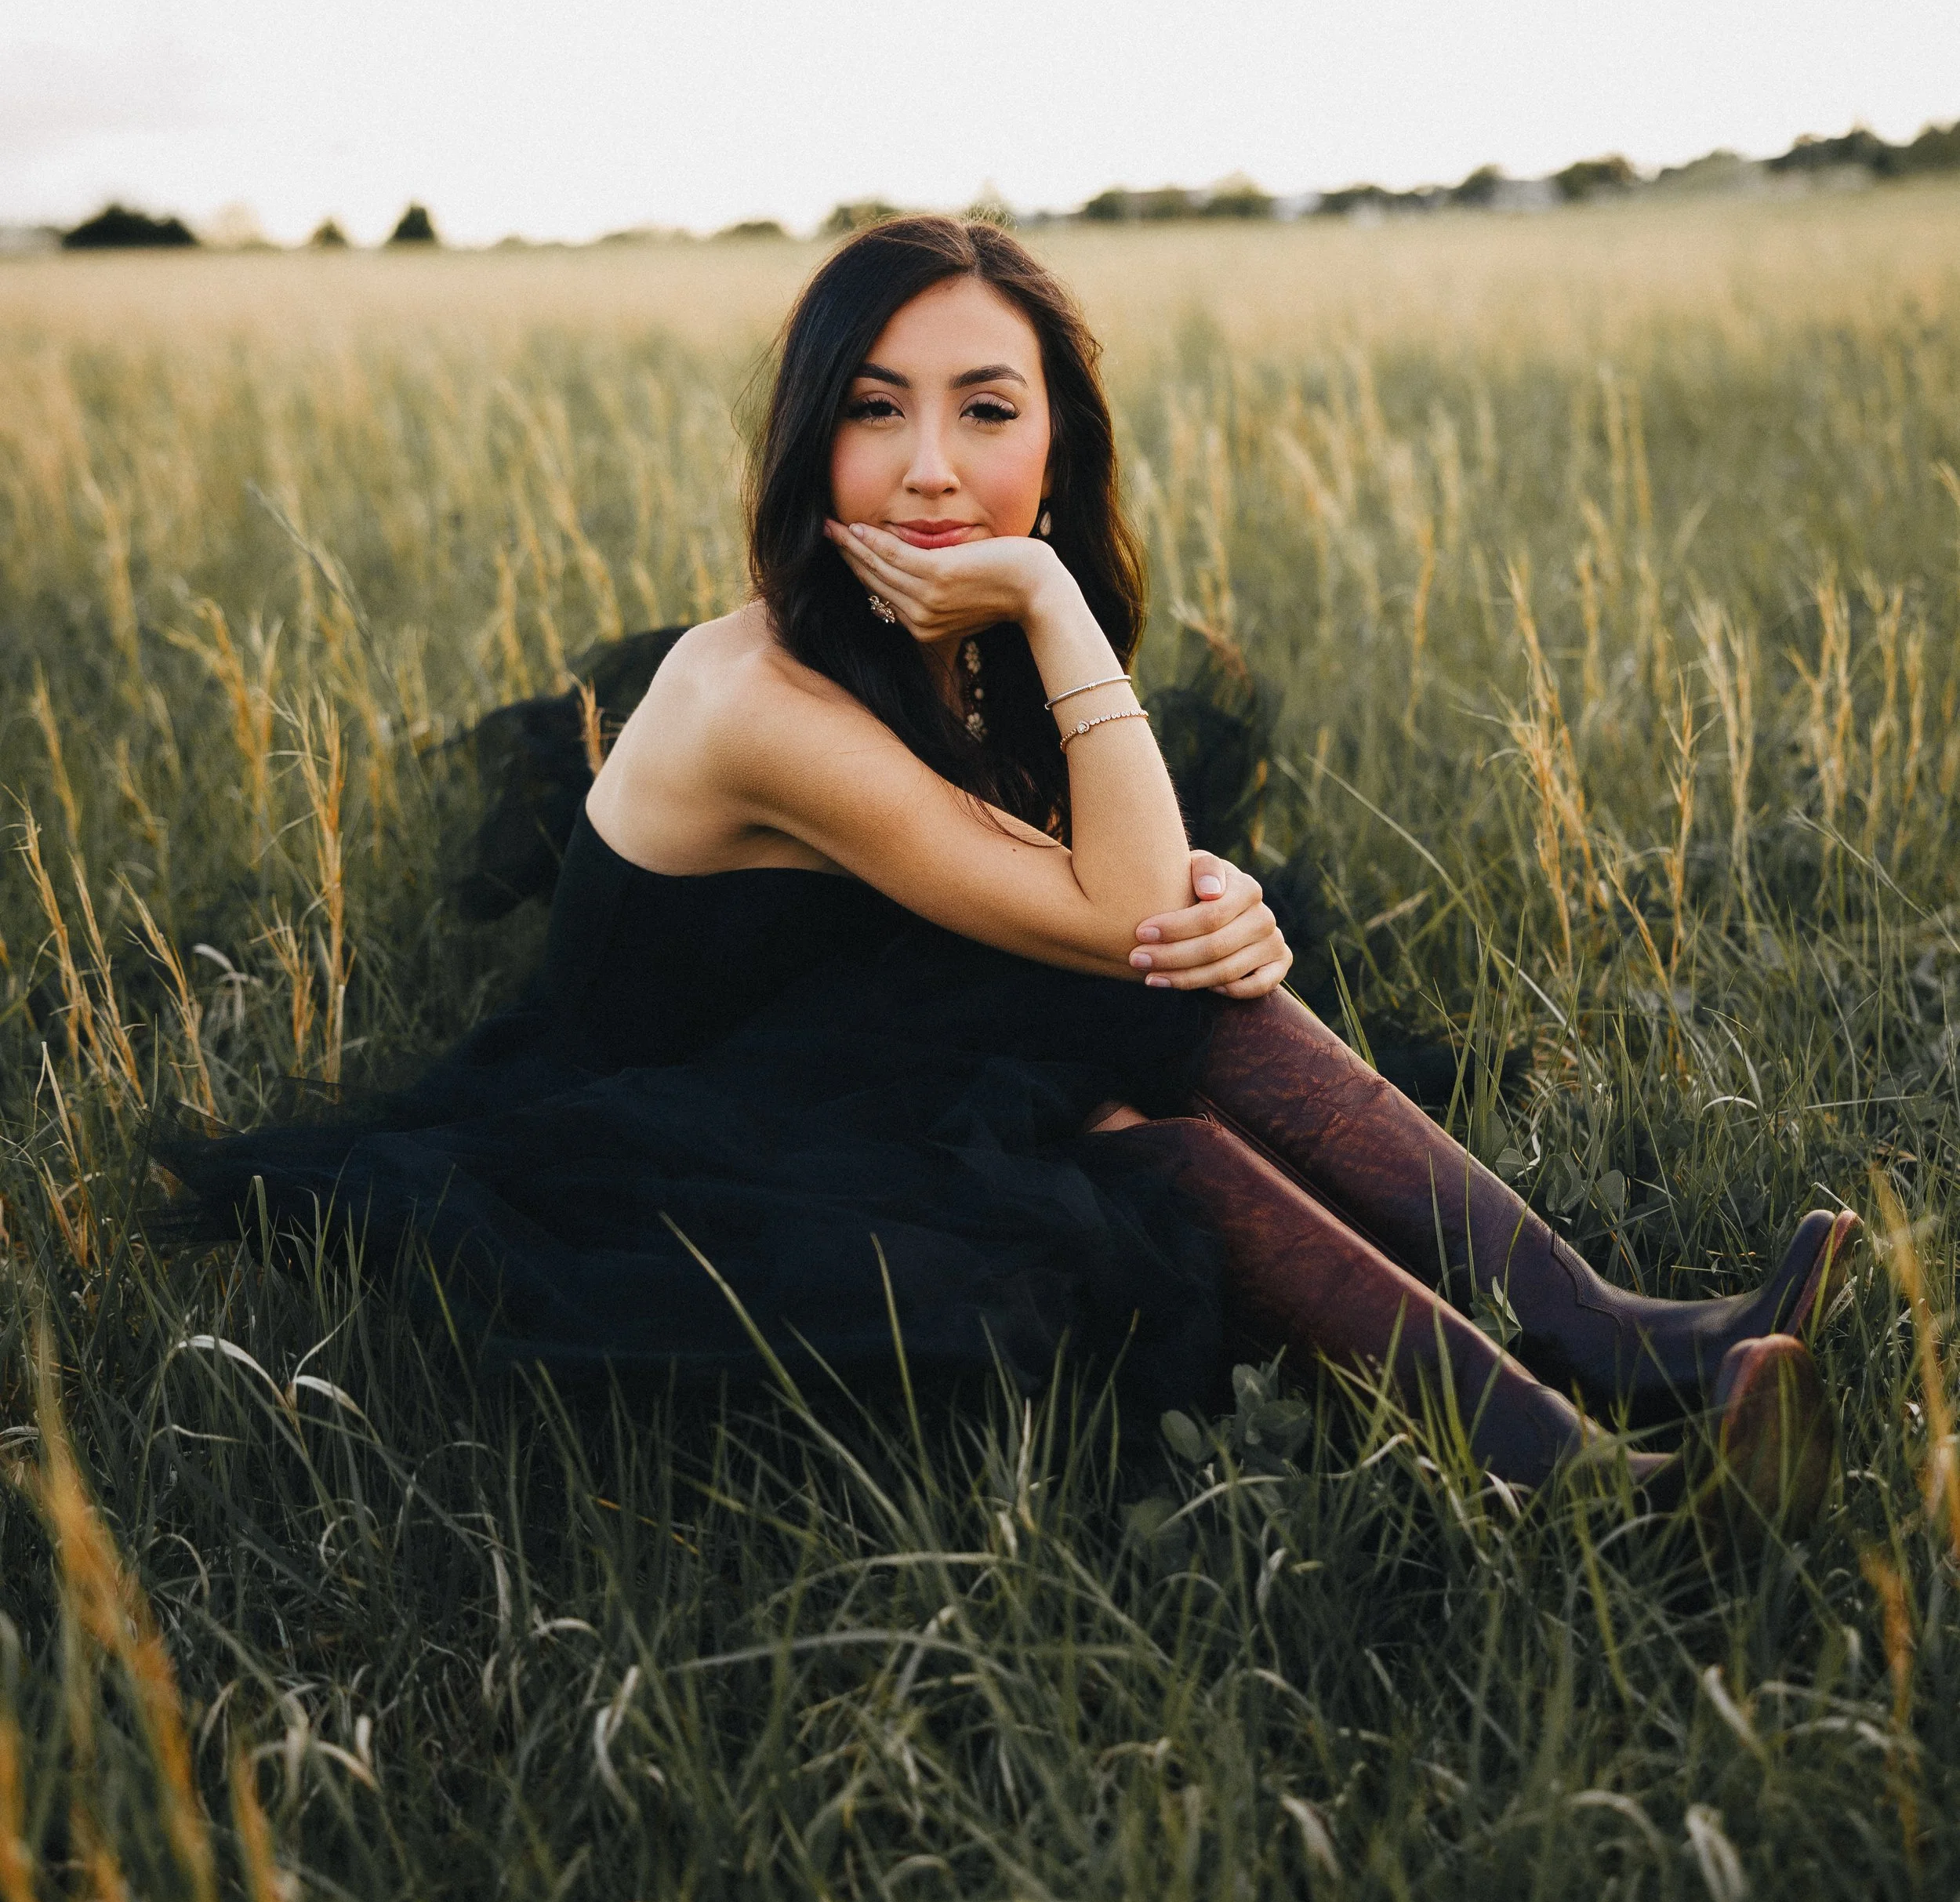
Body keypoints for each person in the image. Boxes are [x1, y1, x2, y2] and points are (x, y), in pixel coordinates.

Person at [171, 216, 1854, 1516]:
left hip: (858, 995)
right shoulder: (763, 696)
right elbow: (1104, 899)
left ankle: (1625, 1335)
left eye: (985, 411)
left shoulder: (949, 626)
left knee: (1183, 1002)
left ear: (1054, 442)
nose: (926, 468)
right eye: (872, 412)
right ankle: (1583, 1496)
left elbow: (1114, 881)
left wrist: (1210, 896)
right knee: (1131, 1130)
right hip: (699, 1100)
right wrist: (1052, 606)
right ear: (804, 444)